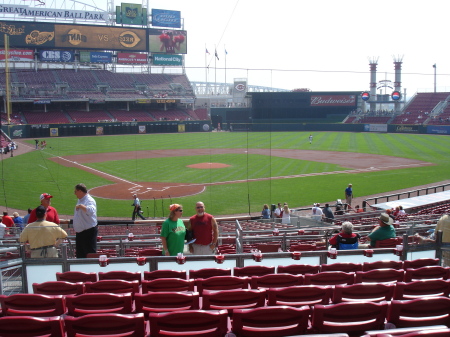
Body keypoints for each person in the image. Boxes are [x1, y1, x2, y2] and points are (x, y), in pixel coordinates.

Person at [73, 183, 98, 258]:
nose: (75, 193)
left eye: (75, 191)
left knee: (89, 254)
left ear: (80, 191)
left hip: (88, 233)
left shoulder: (89, 200)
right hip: (80, 233)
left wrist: (80, 206)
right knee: (80, 256)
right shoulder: (80, 200)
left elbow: (91, 210)